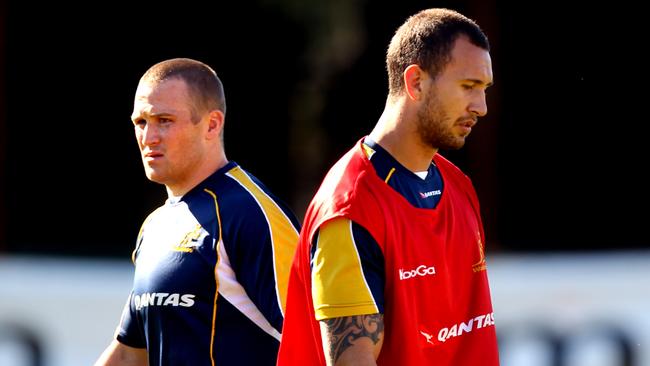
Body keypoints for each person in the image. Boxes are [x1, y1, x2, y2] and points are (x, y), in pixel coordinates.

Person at [277, 8, 499, 365]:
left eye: (484, 89)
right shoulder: (349, 208)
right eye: (468, 87)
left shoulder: (458, 186)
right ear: (415, 83)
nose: (482, 106)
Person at [95, 58, 300, 366]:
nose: (149, 137)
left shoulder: (250, 213)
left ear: (212, 124)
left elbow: (312, 341)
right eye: (141, 122)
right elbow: (129, 353)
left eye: (164, 120)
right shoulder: (155, 226)